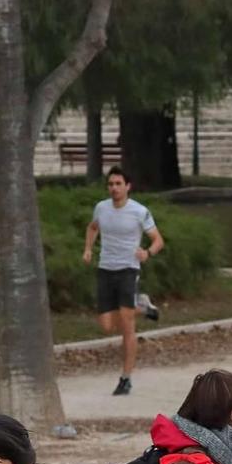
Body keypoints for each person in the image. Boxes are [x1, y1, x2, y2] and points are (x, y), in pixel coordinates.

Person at [82, 166, 164, 397]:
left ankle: (126, 378)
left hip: (129, 269)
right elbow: (92, 227)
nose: (114, 188)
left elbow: (158, 240)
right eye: (111, 184)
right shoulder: (101, 208)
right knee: (107, 325)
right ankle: (143, 306)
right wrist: (88, 249)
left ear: (128, 186)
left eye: (118, 184)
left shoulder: (139, 211)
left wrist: (147, 253)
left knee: (127, 326)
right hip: (105, 269)